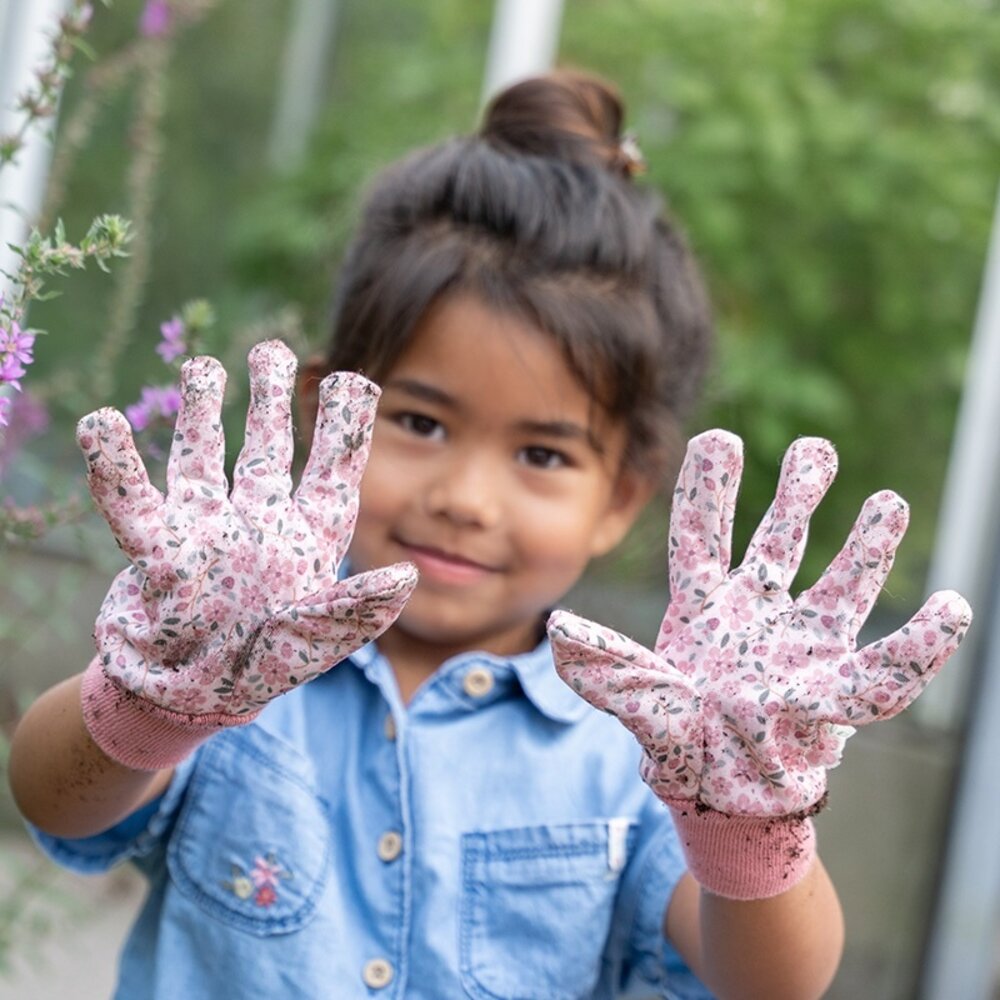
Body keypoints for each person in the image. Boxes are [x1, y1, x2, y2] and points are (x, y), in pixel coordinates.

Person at [7, 70, 970, 1000]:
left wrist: (751, 815)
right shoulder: (232, 654)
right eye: (421, 424)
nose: (468, 498)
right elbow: (53, 797)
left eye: (543, 456)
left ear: (622, 498)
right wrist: (155, 698)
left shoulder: (649, 747)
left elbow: (773, 984)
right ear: (326, 413)